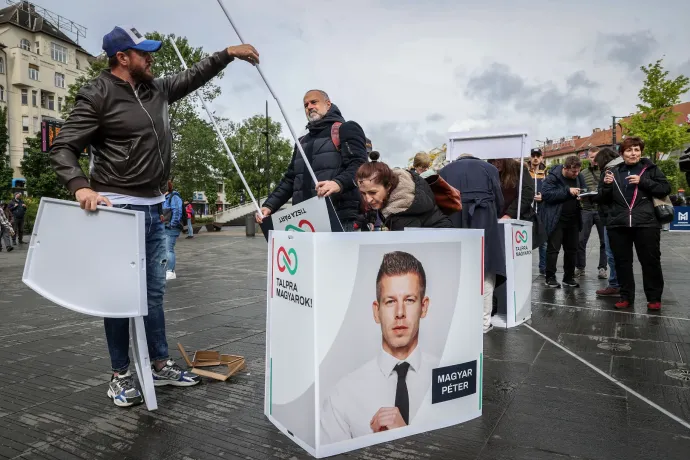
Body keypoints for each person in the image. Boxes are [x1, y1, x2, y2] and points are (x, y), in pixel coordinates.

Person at [49, 25, 260, 407]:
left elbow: (194, 75)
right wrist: (81, 187)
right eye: (143, 53)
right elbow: (63, 148)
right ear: (122, 58)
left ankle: (159, 364)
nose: (151, 58)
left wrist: (227, 53)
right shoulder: (97, 94)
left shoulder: (156, 90)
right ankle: (120, 375)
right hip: (118, 209)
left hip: (153, 208)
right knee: (119, 296)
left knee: (153, 293)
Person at [320, 251, 438, 443]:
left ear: (423, 307)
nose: (400, 313)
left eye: (409, 300)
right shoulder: (342, 396)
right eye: (390, 301)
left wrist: (404, 434)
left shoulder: (445, 375)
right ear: (377, 312)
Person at [258, 90, 368, 230]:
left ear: (328, 104)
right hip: (306, 220)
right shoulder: (301, 141)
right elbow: (291, 179)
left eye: (314, 102)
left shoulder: (346, 128)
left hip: (340, 217)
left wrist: (338, 183)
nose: (309, 107)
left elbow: (360, 166)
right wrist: (269, 205)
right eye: (306, 105)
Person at [599, 137, 670, 310]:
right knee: (622, 262)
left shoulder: (650, 169)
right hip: (619, 223)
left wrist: (643, 181)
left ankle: (654, 299)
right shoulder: (613, 171)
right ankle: (626, 296)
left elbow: (665, 189)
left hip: (646, 223)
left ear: (641, 152)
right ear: (622, 153)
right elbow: (602, 199)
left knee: (650, 261)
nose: (633, 153)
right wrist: (606, 186)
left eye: (636, 149)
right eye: (629, 150)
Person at [439, 154, 505, 333]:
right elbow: (500, 202)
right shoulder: (490, 169)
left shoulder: (443, 171)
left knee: (457, 270)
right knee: (486, 270)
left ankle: (459, 318)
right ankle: (483, 323)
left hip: (454, 220)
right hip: (484, 220)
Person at [355, 152, 453, 230]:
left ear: (388, 186)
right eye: (363, 193)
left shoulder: (401, 212)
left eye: (373, 192)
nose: (367, 199)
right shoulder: (403, 190)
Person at [540, 155, 586, 288]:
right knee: (553, 249)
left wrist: (582, 196)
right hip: (557, 219)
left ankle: (569, 277)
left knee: (572, 250)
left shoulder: (579, 176)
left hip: (573, 219)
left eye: (578, 171)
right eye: (573, 172)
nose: (576, 174)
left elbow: (584, 189)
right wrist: (567, 191)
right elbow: (547, 194)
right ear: (565, 168)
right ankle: (550, 277)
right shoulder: (553, 177)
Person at [592, 147, 622, 297]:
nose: (596, 165)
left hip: (610, 216)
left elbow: (605, 195)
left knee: (612, 253)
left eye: (597, 161)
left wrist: (593, 197)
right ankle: (620, 284)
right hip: (618, 216)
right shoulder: (621, 168)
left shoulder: (609, 170)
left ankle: (615, 284)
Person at [575, 147, 607, 279]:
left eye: (596, 157)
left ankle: (603, 268)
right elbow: (580, 189)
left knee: (604, 241)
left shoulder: (606, 171)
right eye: (592, 157)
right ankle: (580, 267)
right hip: (586, 209)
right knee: (581, 240)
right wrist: (580, 195)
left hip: (601, 209)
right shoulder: (583, 173)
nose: (594, 160)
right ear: (588, 157)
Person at [528, 148, 547, 275]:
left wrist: (543, 196)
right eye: (533, 155)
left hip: (541, 210)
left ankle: (543, 267)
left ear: (541, 158)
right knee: (525, 241)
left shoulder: (546, 172)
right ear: (530, 157)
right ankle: (523, 265)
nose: (535, 158)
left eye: (538, 156)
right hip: (527, 211)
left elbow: (551, 188)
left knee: (543, 241)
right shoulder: (524, 171)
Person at [162, 180, 184, 280]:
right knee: (164, 249)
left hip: (171, 228)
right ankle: (166, 270)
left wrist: (172, 224)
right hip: (165, 226)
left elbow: (177, 211)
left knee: (168, 249)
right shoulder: (164, 197)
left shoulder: (173, 196)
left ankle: (170, 271)